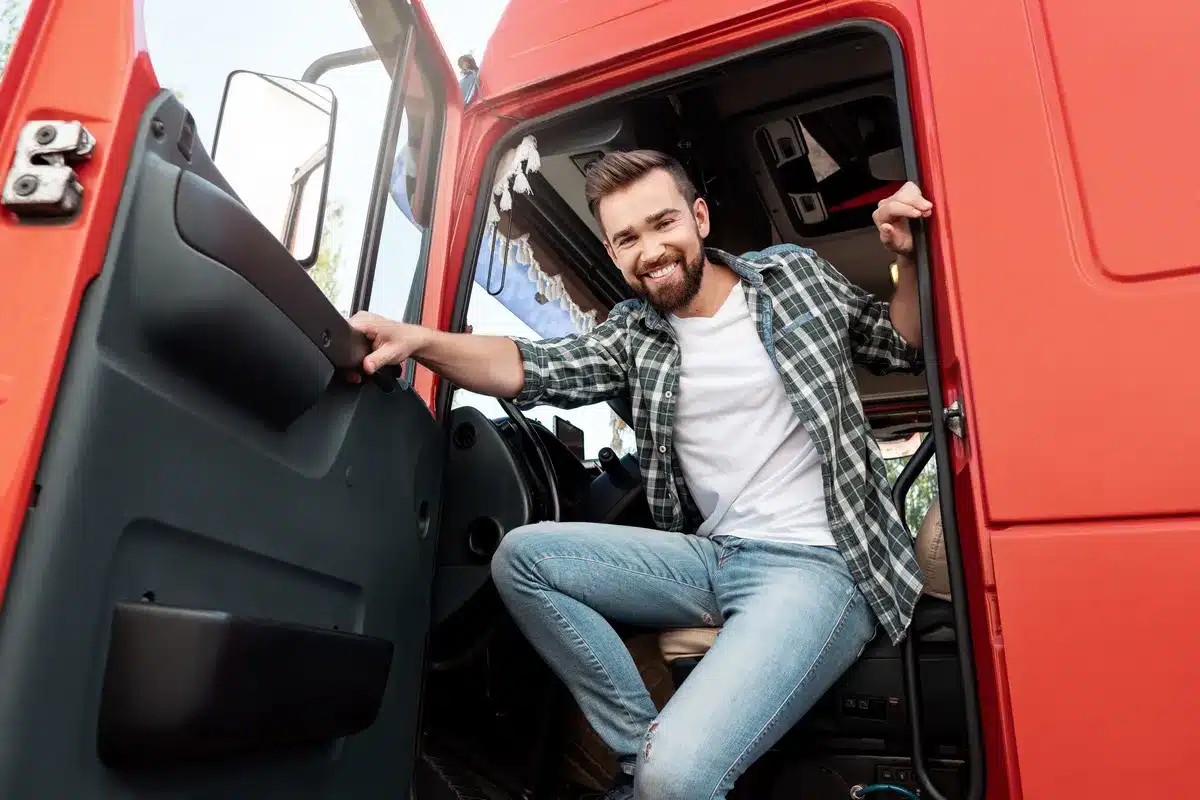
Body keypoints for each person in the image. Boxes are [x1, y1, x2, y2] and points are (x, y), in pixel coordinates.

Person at [350, 149, 933, 799]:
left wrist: (906, 258)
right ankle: (639, 753)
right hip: (715, 557)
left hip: (822, 563)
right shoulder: (634, 336)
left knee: (679, 775)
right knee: (523, 559)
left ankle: (661, 777)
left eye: (664, 224)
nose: (651, 250)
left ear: (700, 219)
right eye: (628, 238)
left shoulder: (792, 278)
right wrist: (417, 341)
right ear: (612, 250)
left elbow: (897, 342)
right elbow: (526, 366)